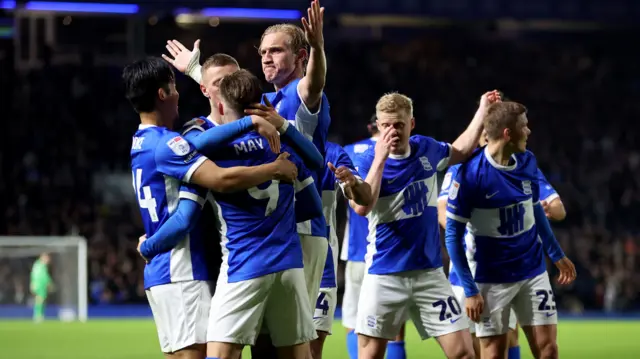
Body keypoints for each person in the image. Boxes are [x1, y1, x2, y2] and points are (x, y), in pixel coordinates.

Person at [124, 57, 298, 359]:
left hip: (168, 271)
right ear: (163, 94)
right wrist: (272, 167)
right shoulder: (167, 144)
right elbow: (219, 180)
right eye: (174, 87)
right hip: (181, 268)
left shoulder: (141, 141)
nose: (179, 95)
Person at [349, 91, 501, 359]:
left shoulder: (426, 149)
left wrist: (482, 109)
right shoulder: (364, 160)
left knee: (464, 353)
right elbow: (363, 207)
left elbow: (462, 150)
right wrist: (380, 158)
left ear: (412, 124)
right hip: (384, 274)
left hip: (429, 274)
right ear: (379, 125)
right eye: (386, 125)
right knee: (370, 355)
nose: (392, 131)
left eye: (399, 124)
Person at [445, 101, 577, 359]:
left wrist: (556, 253)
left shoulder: (527, 161)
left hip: (532, 270)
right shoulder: (469, 175)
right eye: (524, 126)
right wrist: (470, 290)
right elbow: (452, 235)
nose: (528, 132)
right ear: (508, 133)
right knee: (493, 353)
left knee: (548, 350)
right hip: (491, 278)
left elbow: (536, 209)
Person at [203, 69, 320, 359]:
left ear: (220, 107)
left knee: (220, 354)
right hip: (289, 264)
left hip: (244, 264)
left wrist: (246, 123)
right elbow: (313, 204)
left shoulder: (218, 148)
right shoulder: (284, 146)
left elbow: (186, 148)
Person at [341, 115, 407, 359]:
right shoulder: (403, 154)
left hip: (358, 252)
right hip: (391, 254)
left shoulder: (349, 152)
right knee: (396, 330)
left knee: (353, 322)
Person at [312, 141, 372, 359]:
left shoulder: (337, 152)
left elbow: (362, 200)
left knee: (314, 346)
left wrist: (351, 184)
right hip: (280, 260)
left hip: (325, 263)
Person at [30, 253, 53, 323]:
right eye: (47, 258)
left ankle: (39, 315)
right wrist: (49, 283)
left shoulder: (37, 265)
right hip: (40, 285)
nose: (48, 260)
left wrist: (32, 283)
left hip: (37, 284)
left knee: (39, 300)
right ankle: (38, 316)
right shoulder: (41, 265)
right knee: (40, 300)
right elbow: (44, 276)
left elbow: (33, 274)